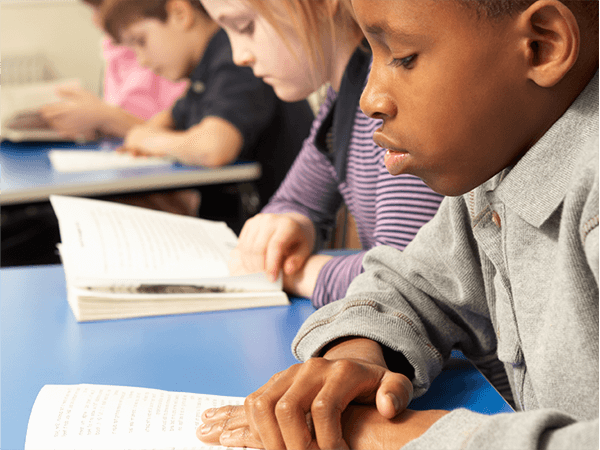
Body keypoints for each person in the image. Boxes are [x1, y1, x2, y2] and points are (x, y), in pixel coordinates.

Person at [197, 0, 599, 449]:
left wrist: (389, 436)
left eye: (403, 57)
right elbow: (416, 285)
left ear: (542, 45)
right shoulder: (496, 167)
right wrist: (357, 351)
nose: (370, 99)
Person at [200, 0, 444, 310]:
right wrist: (291, 223)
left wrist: (289, 273)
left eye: (245, 26)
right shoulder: (342, 96)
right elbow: (297, 201)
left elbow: (403, 278)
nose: (239, 56)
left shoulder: (391, 94)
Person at [98, 0, 314, 230]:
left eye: (141, 41)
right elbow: (165, 121)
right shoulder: (204, 70)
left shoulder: (233, 55)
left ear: (180, 13)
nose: (142, 60)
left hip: (280, 227)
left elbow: (214, 148)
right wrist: (146, 135)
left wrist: (146, 140)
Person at [40, 0, 188, 141]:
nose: (96, 21)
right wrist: (94, 124)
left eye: (102, 8)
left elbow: (180, 134)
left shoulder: (170, 56)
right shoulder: (114, 50)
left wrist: (105, 116)